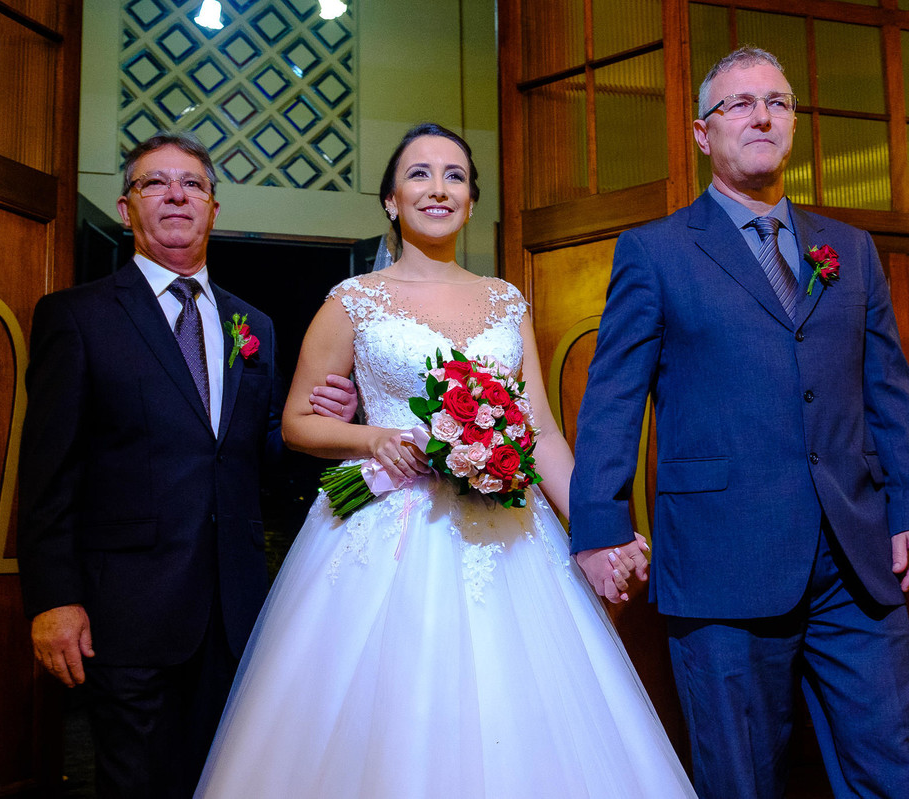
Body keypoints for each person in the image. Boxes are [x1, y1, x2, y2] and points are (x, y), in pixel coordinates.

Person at [193, 123, 698, 798]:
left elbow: (541, 431)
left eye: (455, 175)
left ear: (470, 199)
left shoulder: (505, 300)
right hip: (388, 525)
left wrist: (599, 526)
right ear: (392, 201)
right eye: (420, 174)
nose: (439, 188)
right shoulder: (353, 302)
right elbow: (296, 423)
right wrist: (374, 439)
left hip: (507, 528)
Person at [569, 47, 909, 799]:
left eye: (777, 100)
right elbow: (613, 401)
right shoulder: (655, 251)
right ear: (703, 134)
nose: (762, 115)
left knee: (895, 766)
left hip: (855, 560)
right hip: (720, 560)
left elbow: (890, 395)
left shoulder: (852, 251)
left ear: (794, 123)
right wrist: (598, 527)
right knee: (739, 778)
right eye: (739, 104)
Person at [17, 131, 356, 798]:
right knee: (135, 781)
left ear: (213, 208)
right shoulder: (77, 317)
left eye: (193, 184)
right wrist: (54, 599)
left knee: (228, 779)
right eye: (154, 182)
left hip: (236, 610)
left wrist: (330, 424)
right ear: (125, 207)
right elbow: (46, 473)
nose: (176, 194)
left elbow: (264, 458)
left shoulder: (251, 324)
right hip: (126, 611)